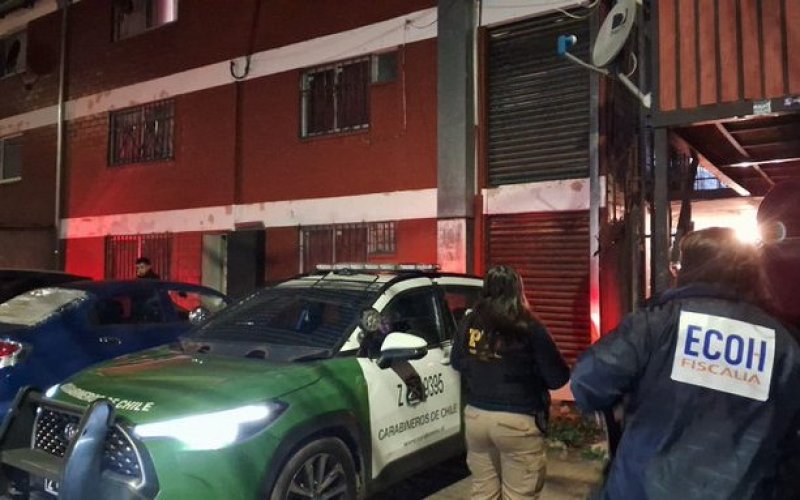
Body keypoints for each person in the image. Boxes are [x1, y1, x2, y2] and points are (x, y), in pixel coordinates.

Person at [571, 227, 800, 500]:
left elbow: (588, 379)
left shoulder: (658, 323)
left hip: (642, 489)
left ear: (688, 269)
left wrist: (622, 403)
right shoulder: (784, 344)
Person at [451, 265, 570, 500]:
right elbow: (557, 377)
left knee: (484, 493)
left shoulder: (469, 322)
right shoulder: (528, 326)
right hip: (518, 422)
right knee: (519, 494)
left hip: (477, 419)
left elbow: (456, 362)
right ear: (518, 290)